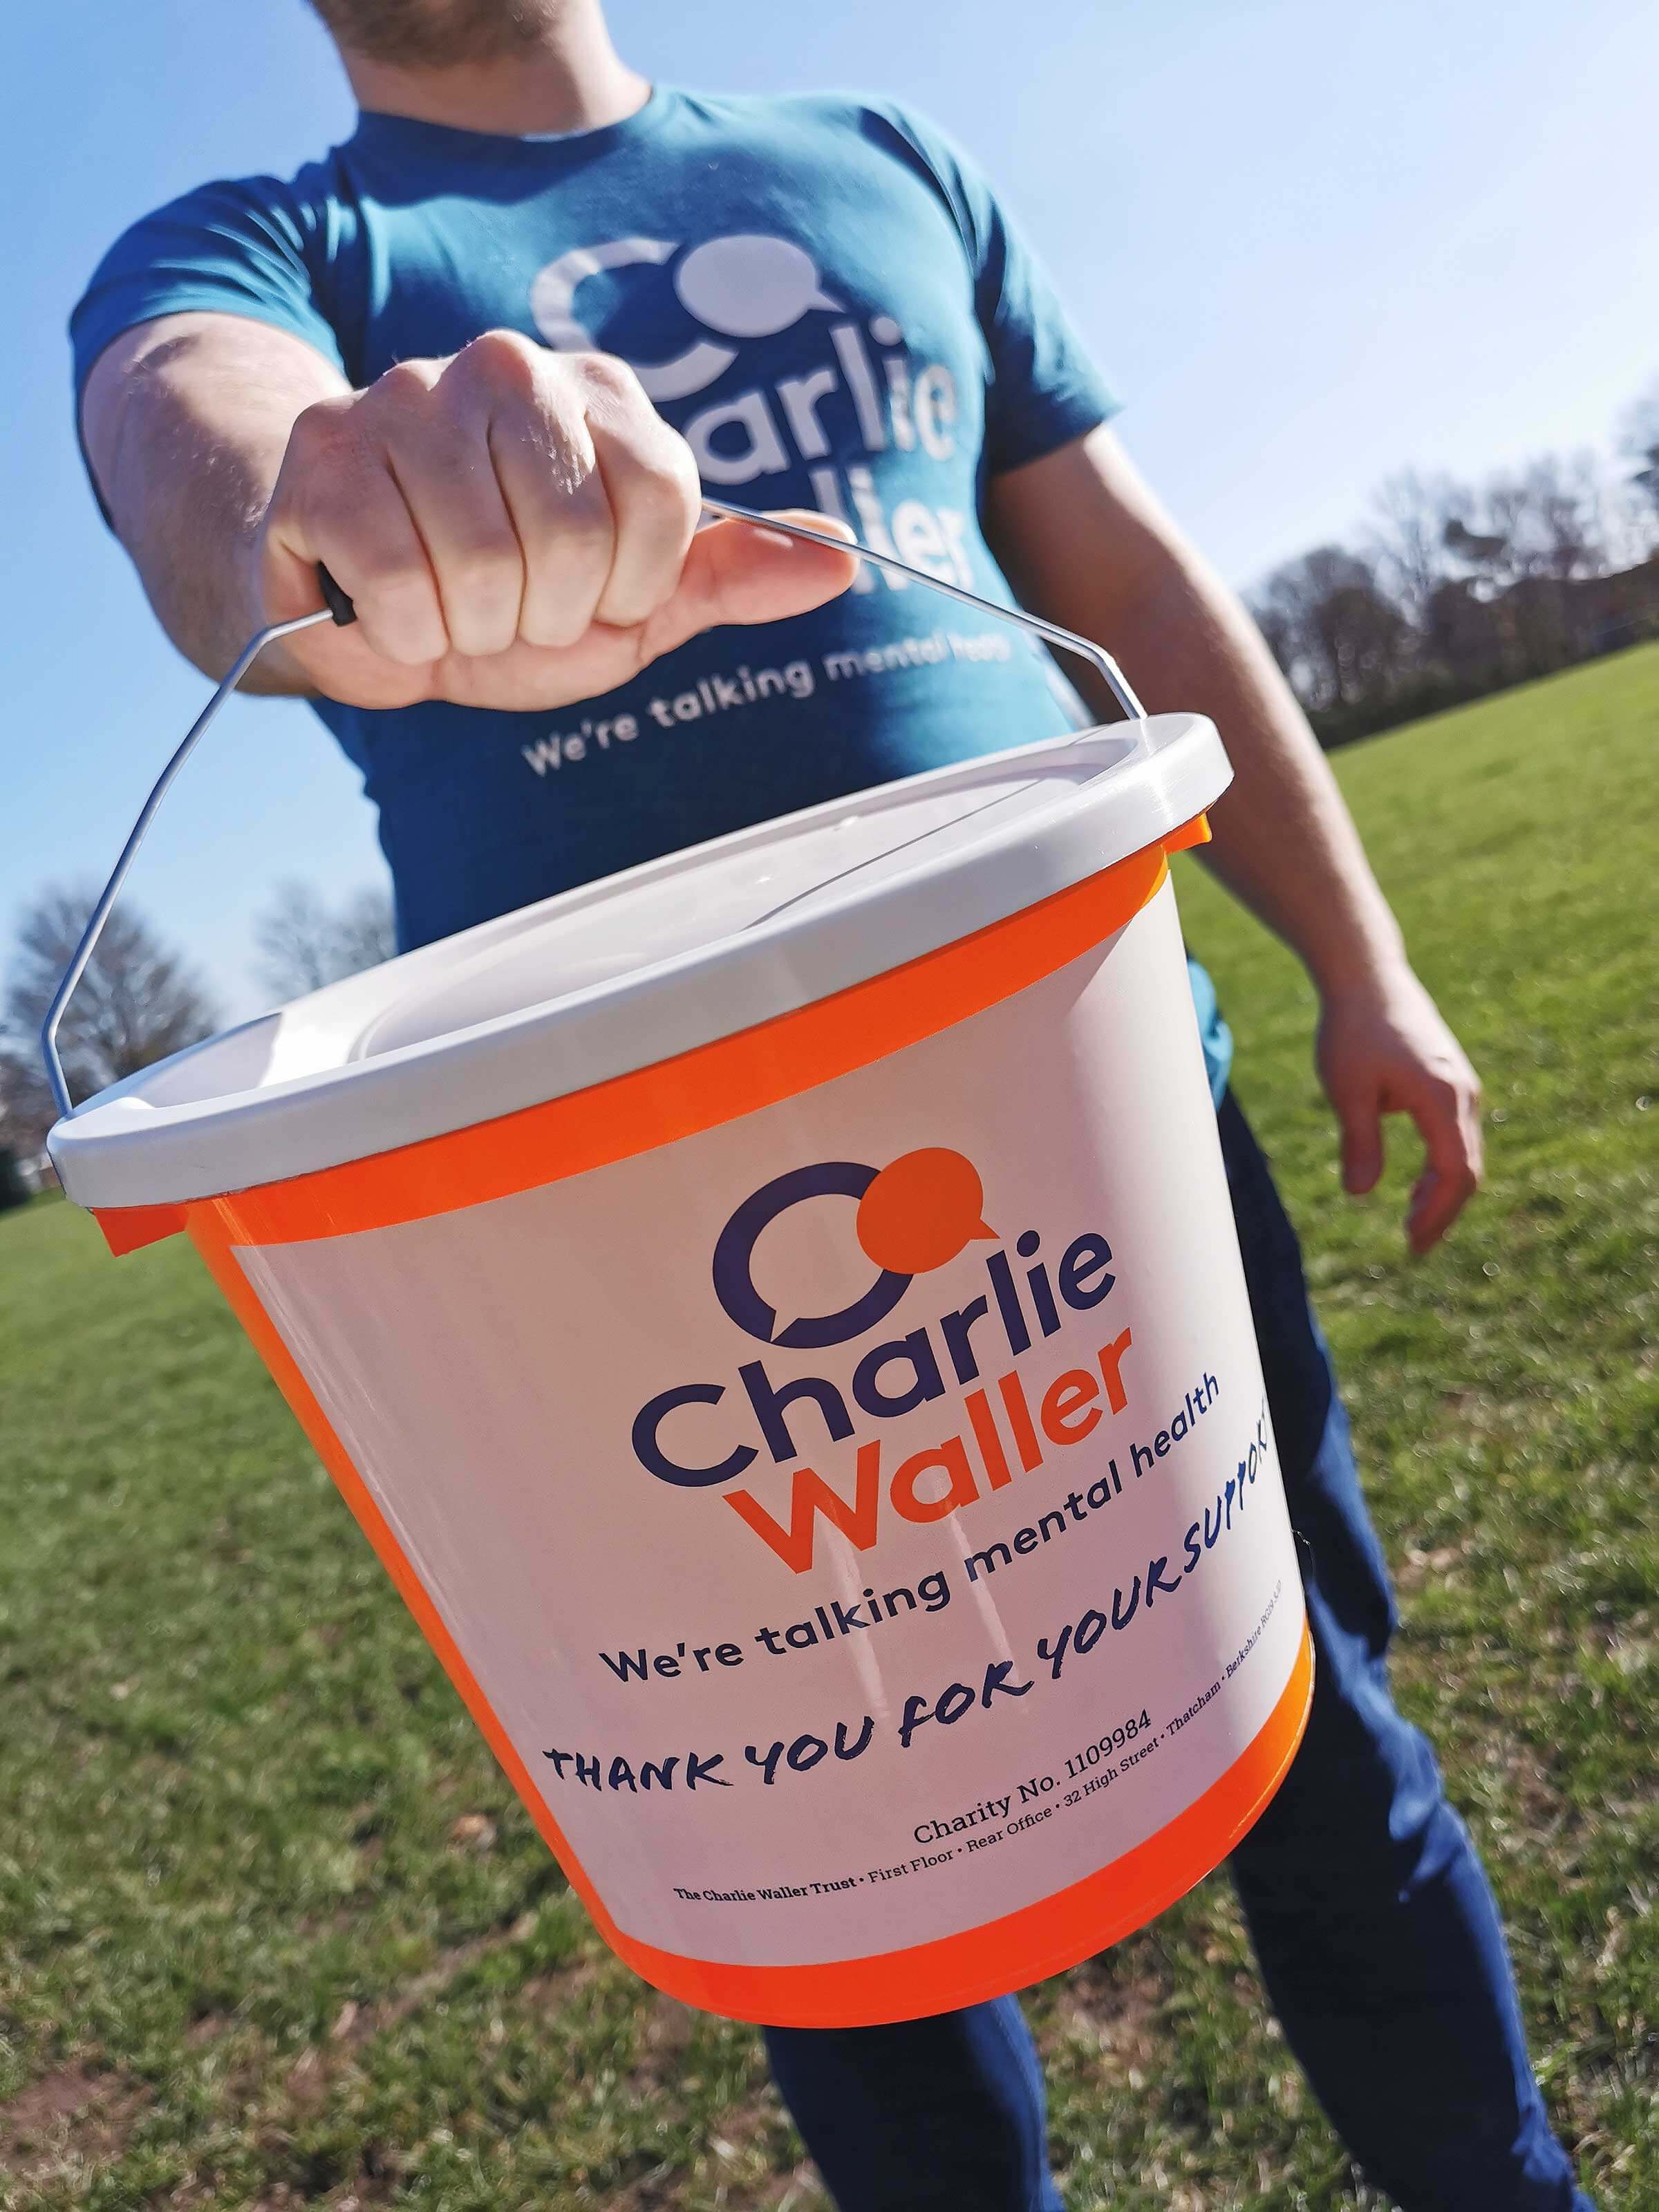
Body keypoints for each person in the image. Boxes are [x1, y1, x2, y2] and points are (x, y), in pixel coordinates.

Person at [70, 4, 1593, 2206]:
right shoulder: (267, 246)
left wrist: (1366, 963)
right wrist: (329, 505)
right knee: (834, 1891)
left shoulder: (882, 153)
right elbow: (190, 453)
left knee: (1310, 1728)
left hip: (1119, 1132)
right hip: (626, 1278)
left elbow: (1134, 587)